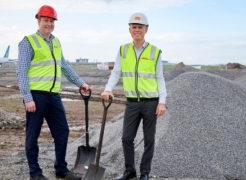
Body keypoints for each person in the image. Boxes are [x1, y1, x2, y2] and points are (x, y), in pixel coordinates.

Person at [16, 5, 88, 180]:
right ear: (38, 20)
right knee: (32, 136)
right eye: (45, 20)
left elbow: (64, 66)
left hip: (54, 96)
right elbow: (21, 72)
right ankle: (35, 173)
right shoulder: (28, 42)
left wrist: (81, 83)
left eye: (51, 21)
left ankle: (61, 169)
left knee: (62, 132)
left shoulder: (56, 42)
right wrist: (27, 98)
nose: (48, 24)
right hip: (36, 96)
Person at [101, 12, 167, 180]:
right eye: (134, 27)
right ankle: (130, 171)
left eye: (140, 27)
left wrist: (162, 101)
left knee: (149, 140)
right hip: (132, 103)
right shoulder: (123, 50)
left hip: (151, 103)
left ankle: (144, 173)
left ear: (146, 29)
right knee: (126, 138)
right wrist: (108, 89)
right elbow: (116, 72)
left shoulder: (155, 52)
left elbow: (160, 78)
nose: (137, 30)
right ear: (130, 29)